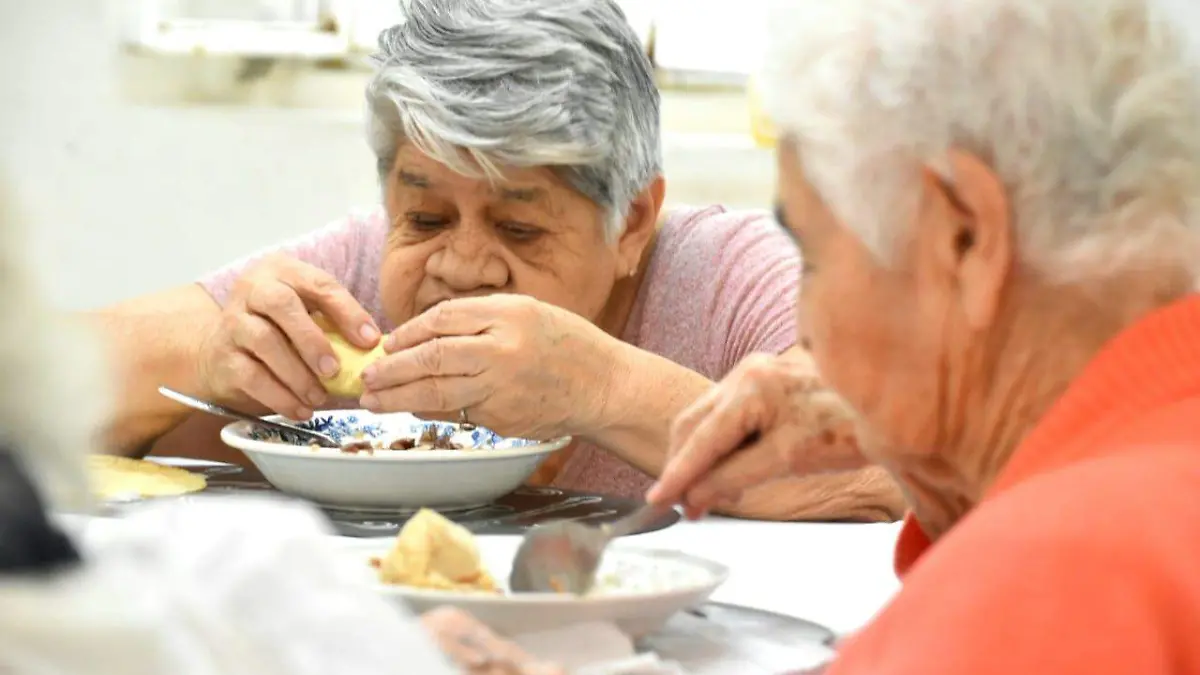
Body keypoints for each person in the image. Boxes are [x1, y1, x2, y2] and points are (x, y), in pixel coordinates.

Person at [91, 0, 902, 522]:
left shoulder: (729, 273)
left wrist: (603, 387)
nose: (461, 265)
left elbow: (898, 464)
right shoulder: (355, 282)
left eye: (519, 228)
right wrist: (205, 357)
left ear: (634, 220)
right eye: (427, 215)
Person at [651, 0, 1200, 672]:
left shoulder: (1053, 581)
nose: (803, 329)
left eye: (815, 258)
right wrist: (952, 454)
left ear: (964, 236)